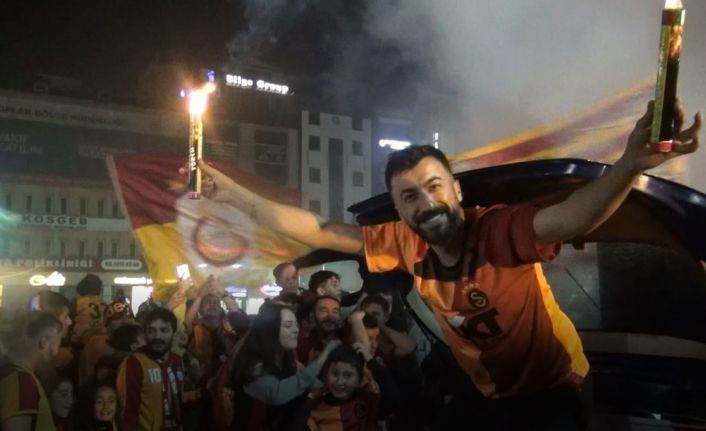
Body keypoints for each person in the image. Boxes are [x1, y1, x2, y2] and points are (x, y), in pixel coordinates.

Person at [198, 101, 701, 429]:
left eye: (434, 186)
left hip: (556, 387)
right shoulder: (403, 242)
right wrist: (235, 195)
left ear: (456, 191)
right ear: (400, 211)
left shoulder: (499, 230)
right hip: (485, 392)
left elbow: (573, 217)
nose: (425, 203)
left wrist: (630, 164)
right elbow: (320, 229)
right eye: (409, 197)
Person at [229, 302, 341, 430]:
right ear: (269, 330)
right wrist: (325, 354)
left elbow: (310, 385)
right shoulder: (254, 365)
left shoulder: (286, 360)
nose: (296, 330)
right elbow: (278, 393)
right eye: (288, 325)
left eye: (296, 325)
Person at [116, 307, 184, 431]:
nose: (157, 336)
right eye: (151, 331)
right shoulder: (134, 363)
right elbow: (128, 413)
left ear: (174, 333)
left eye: (164, 330)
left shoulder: (177, 361)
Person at [307, 343, 400, 431]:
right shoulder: (316, 408)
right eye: (334, 373)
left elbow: (392, 396)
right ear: (326, 375)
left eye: (347, 375)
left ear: (359, 380)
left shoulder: (368, 401)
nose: (339, 381)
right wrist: (311, 395)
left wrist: (372, 362)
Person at [0, 311, 63, 431]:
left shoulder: (16, 374)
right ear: (44, 342)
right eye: (58, 343)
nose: (58, 352)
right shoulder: (21, 382)